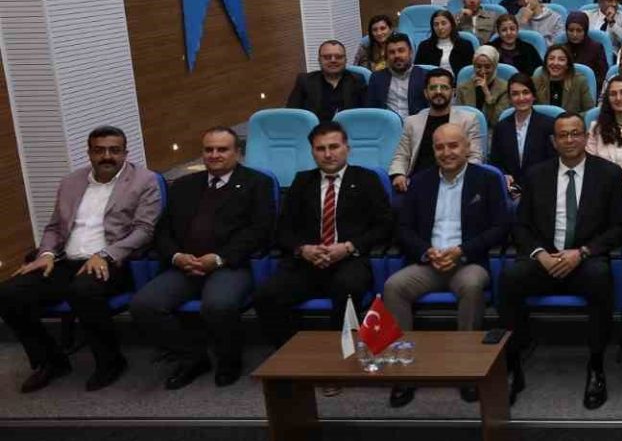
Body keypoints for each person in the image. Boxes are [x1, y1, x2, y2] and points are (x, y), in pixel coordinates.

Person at [0, 126, 160, 393]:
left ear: (125, 153)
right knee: (8, 293)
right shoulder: (71, 182)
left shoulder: (144, 181)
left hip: (114, 262)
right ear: (89, 153)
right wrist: (46, 254)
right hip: (66, 261)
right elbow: (54, 227)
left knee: (83, 290)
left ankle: (110, 362)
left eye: (114, 150)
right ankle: (50, 361)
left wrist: (105, 254)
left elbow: (144, 230)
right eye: (99, 151)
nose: (106, 156)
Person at [130, 127, 275, 390]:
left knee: (218, 304)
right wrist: (176, 257)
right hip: (184, 266)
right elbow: (163, 230)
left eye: (222, 149)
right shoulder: (183, 185)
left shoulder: (257, 183)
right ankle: (192, 357)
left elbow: (259, 231)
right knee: (144, 305)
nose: (214, 155)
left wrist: (219, 258)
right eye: (209, 149)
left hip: (229, 265)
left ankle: (229, 361)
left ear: (237, 152)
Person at [503, 112, 622, 409]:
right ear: (553, 141)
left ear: (586, 137)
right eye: (563, 135)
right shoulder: (536, 174)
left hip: (585, 258)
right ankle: (512, 365)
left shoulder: (609, 174)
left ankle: (596, 366)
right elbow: (520, 226)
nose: (570, 139)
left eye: (576, 133)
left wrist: (582, 252)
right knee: (510, 278)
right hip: (545, 258)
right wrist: (540, 254)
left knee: (601, 278)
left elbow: (620, 228)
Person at [382, 123, 512, 408]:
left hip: (467, 261)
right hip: (428, 262)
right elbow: (403, 228)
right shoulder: (420, 181)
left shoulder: (487, 180)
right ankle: (404, 368)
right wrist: (426, 252)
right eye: (439, 147)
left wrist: (461, 251)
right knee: (393, 287)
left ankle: (467, 367)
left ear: (467, 147)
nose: (446, 152)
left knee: (472, 286)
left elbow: (500, 227)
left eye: (453, 145)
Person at [253, 122, 394, 351]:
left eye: (334, 147)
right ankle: (290, 352)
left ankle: (340, 353)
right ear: (312, 152)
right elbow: (283, 229)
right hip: (307, 262)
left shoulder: (366, 179)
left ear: (347, 148)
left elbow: (384, 226)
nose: (328, 154)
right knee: (265, 296)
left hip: (349, 260)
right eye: (320, 149)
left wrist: (348, 247)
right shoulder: (302, 181)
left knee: (346, 288)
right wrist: (303, 249)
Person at [388, 69, 485, 193]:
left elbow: (475, 156)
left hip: (455, 182)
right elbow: (401, 155)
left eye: (444, 87)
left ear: (453, 92)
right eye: (433, 88)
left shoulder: (468, 120)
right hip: (417, 184)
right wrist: (399, 174)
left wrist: (464, 180)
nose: (438, 92)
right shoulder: (411, 122)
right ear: (426, 93)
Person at [489, 73, 556, 197]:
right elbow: (495, 162)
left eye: (526, 92)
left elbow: (554, 162)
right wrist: (504, 176)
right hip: (510, 190)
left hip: (542, 189)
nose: (521, 98)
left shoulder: (549, 125)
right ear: (509, 98)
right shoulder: (501, 127)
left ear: (533, 96)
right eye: (515, 94)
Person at [286, 39, 365, 120]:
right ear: (319, 60)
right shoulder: (305, 81)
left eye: (338, 57)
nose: (333, 60)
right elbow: (292, 113)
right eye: (327, 57)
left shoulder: (357, 80)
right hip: (316, 127)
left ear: (345, 60)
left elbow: (365, 114)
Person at [367, 32, 428, 119]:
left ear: (410, 53)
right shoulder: (377, 78)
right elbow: (371, 111)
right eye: (392, 52)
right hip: (387, 124)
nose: (397, 55)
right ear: (386, 56)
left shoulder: (424, 76)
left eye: (401, 51)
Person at [533, 42, 596, 116]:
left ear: (567, 65)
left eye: (561, 60)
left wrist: (571, 120)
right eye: (551, 59)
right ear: (546, 63)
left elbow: (590, 112)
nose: (555, 63)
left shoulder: (579, 81)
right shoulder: (536, 81)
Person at [456, 45, 511, 123]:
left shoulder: (504, 88)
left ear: (494, 67)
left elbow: (498, 121)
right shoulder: (463, 87)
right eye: (478, 66)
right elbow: (458, 117)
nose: (482, 71)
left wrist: (487, 94)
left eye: (487, 67)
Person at [414, 8, 474, 72]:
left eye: (444, 23)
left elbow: (469, 72)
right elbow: (417, 71)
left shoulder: (465, 45)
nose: (440, 27)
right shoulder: (424, 47)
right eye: (436, 24)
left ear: (451, 25)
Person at [561, 11, 608, 81]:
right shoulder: (562, 49)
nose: (574, 35)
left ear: (585, 31)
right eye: (571, 30)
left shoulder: (596, 48)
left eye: (579, 31)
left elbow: (603, 76)